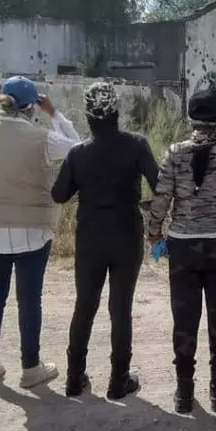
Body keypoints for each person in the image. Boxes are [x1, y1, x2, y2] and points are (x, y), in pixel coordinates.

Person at [0, 76, 83, 390]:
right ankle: (30, 367)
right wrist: (55, 114)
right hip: (32, 230)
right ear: (31, 107)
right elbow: (80, 149)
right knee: (29, 300)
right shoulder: (41, 138)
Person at [145, 88, 216, 414]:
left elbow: (161, 201)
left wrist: (153, 236)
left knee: (184, 319)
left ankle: (183, 392)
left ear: (190, 117)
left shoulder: (174, 154)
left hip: (183, 249)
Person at [51, 81, 159, 400]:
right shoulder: (137, 145)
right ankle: (118, 381)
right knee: (120, 308)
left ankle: (74, 378)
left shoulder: (78, 152)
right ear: (116, 111)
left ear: (88, 115)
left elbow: (59, 194)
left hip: (90, 237)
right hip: (126, 235)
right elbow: (159, 183)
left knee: (85, 305)